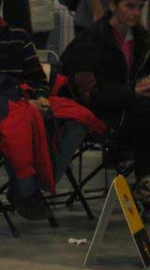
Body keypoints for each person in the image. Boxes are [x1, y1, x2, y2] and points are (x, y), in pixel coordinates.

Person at [0, 0, 104, 220]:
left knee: (78, 118)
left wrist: (40, 98)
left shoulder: (18, 36)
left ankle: (40, 183)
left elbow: (37, 78)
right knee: (19, 122)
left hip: (23, 105)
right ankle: (26, 191)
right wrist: (22, 100)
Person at [62, 0, 150, 220]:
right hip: (97, 114)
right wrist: (133, 92)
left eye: (140, 7)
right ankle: (145, 185)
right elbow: (90, 96)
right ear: (112, 5)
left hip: (129, 110)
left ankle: (144, 181)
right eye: (130, 6)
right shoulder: (91, 40)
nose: (136, 13)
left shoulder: (141, 38)